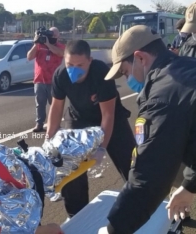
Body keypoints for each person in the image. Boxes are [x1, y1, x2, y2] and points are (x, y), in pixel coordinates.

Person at [99, 25, 196, 234]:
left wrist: (114, 229)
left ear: (140, 58)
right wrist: (189, 186)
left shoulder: (164, 95)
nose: (128, 80)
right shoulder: (188, 67)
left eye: (125, 72)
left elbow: (150, 173)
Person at [45, 40, 135, 220]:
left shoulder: (101, 73)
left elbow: (108, 114)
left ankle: (140, 205)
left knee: (131, 164)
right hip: (78, 118)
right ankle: (77, 215)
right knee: (70, 164)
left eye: (80, 65)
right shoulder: (60, 75)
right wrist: (49, 138)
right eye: (70, 64)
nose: (74, 69)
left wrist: (101, 147)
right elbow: (56, 109)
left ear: (90, 61)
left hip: (110, 118)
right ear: (64, 60)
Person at [27, 27, 65, 132]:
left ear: (58, 36)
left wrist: (48, 44)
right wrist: (36, 43)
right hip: (39, 80)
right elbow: (29, 57)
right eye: (49, 35)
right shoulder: (39, 46)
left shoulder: (60, 46)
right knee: (40, 103)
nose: (50, 37)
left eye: (53, 35)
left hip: (54, 81)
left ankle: (55, 124)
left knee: (55, 104)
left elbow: (61, 53)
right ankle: (39, 123)